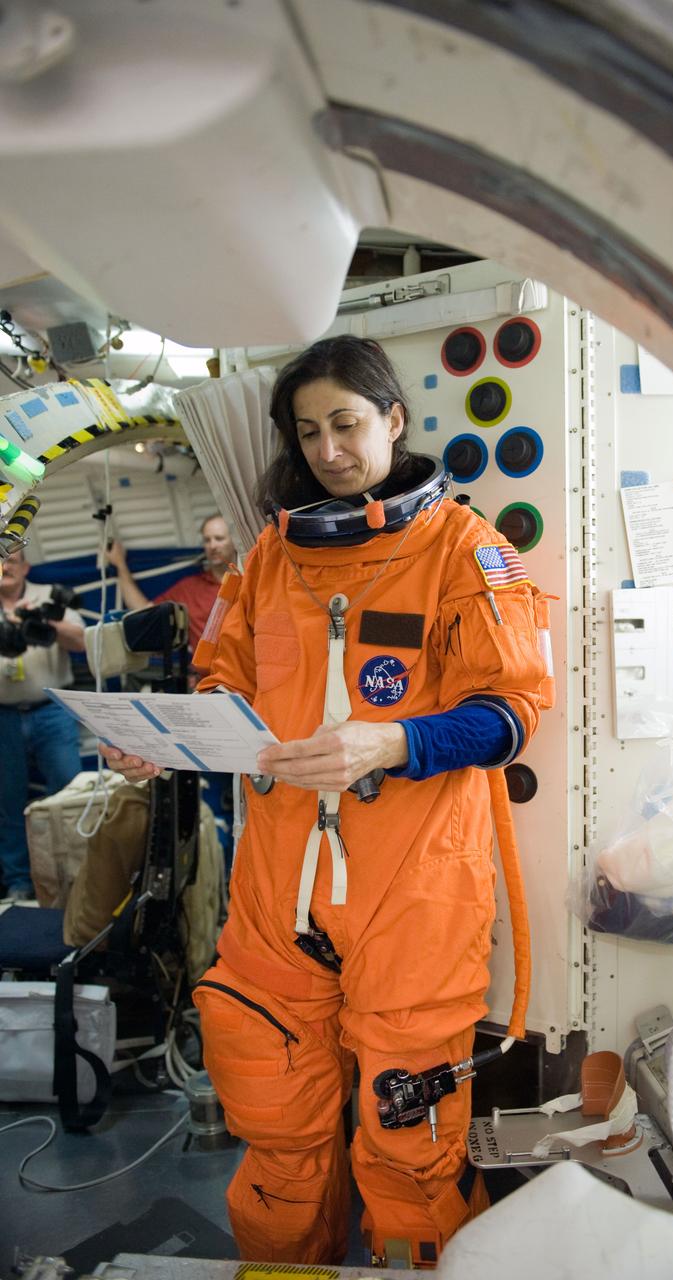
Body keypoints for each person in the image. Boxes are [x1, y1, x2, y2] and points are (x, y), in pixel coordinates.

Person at [101, 335, 553, 1267]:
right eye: (308, 432)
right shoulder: (268, 559)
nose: (329, 450)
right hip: (276, 895)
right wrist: (162, 743)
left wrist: (393, 739)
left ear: (391, 418)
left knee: (410, 1152)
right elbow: (217, 683)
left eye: (346, 424)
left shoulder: (466, 551)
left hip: (412, 896)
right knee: (277, 1143)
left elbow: (513, 712)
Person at [0, 549, 86, 900]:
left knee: (69, 795)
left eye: (12, 558)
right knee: (8, 804)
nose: (5, 565)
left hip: (52, 709)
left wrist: (43, 623)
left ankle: (80, 877)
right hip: (3, 716)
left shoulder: (49, 597)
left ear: (25, 566)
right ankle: (20, 882)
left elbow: (82, 640)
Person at [106, 513, 236, 653]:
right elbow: (144, 611)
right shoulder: (190, 588)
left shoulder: (251, 580)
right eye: (207, 540)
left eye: (219, 538)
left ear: (235, 540)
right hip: (212, 673)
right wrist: (120, 565)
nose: (212, 545)